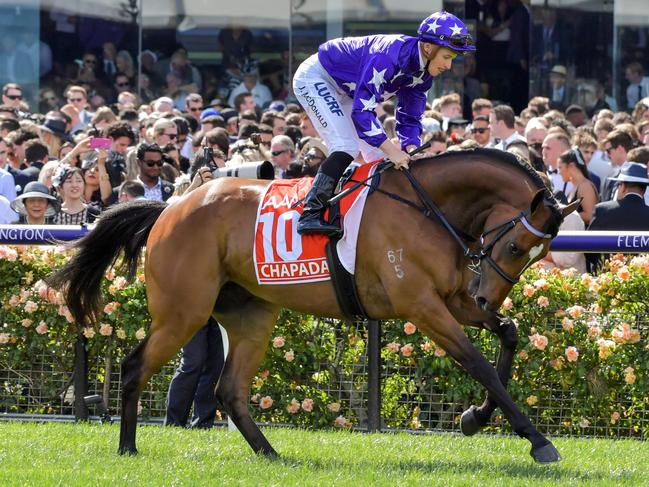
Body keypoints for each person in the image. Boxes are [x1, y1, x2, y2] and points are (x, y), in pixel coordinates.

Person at [293, 10, 475, 235]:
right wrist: (392, 149)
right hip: (317, 77)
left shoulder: (424, 73)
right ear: (428, 48)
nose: (448, 66)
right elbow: (362, 113)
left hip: (348, 90)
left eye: (452, 59)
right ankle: (310, 212)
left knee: (379, 158)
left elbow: (410, 116)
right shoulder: (387, 56)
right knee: (346, 146)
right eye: (447, 57)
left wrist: (410, 147)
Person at [587, 163, 649, 272]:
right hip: (643, 281)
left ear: (623, 187)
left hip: (608, 279)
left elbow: (588, 248)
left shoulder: (602, 210)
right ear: (644, 191)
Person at [557, 148, 599, 225]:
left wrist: (563, 216)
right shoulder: (575, 186)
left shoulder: (585, 186)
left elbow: (590, 215)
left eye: (560, 167)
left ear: (571, 166)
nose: (559, 172)